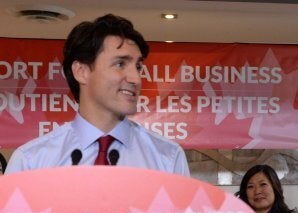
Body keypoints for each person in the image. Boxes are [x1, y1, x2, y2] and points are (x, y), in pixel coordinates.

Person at [5, 14, 189, 175]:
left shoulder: (168, 158)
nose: (136, 78)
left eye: (138, 67)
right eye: (120, 64)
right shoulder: (31, 161)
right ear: (81, 71)